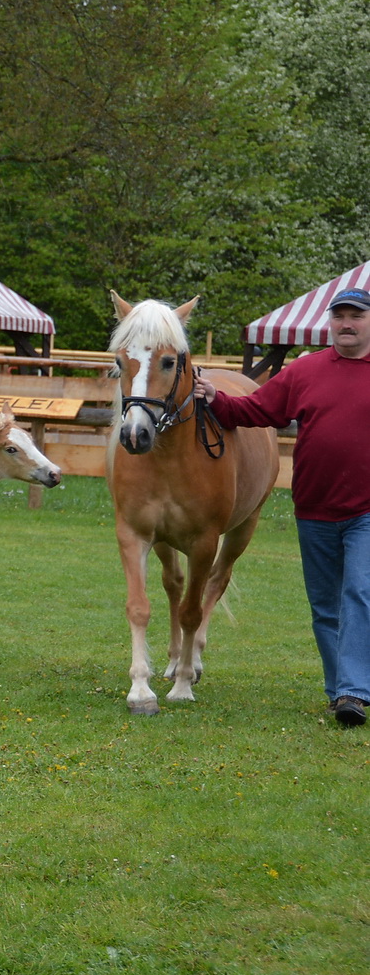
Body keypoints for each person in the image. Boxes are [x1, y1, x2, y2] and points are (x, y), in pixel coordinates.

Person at [195, 286, 370, 728]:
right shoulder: (305, 371)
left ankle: (353, 690)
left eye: (357, 316)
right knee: (325, 605)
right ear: (329, 322)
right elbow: (255, 411)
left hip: (366, 511)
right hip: (313, 508)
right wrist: (215, 398)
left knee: (359, 594)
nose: (347, 324)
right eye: (340, 316)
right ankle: (339, 693)